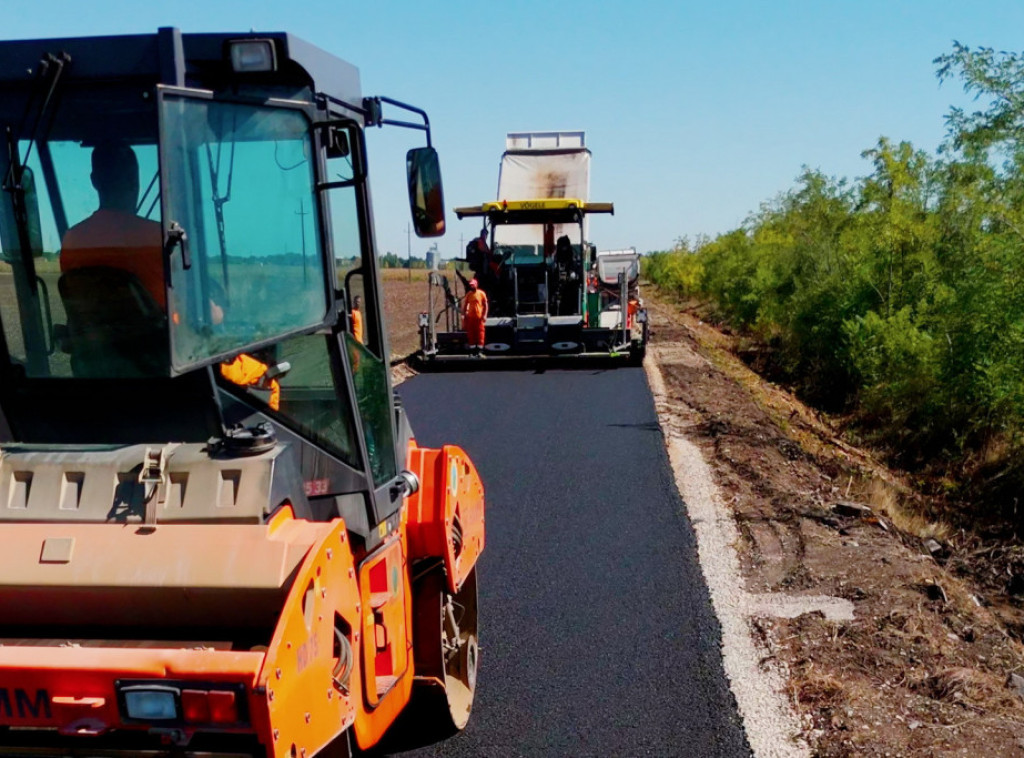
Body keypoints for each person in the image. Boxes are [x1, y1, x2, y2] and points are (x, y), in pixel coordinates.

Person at [61, 143, 224, 324]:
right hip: (154, 348)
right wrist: (218, 313)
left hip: (95, 349)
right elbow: (198, 312)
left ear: (94, 181)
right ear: (134, 180)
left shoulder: (72, 240)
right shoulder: (162, 237)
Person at [461, 278, 488, 357]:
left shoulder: (481, 293)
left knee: (480, 334)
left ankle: (480, 351)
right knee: (471, 335)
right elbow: (465, 305)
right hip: (470, 318)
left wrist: (485, 315)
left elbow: (486, 305)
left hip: (479, 318)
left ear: (476, 285)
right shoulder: (469, 294)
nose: (472, 286)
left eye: (473, 285)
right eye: (471, 285)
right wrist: (464, 315)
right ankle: (472, 352)